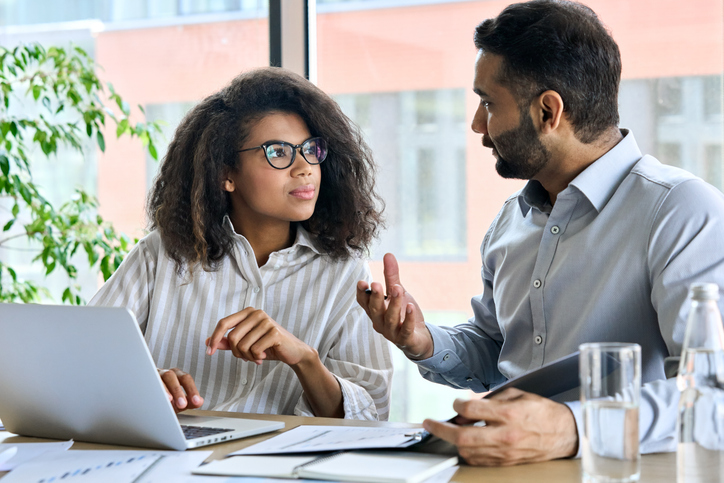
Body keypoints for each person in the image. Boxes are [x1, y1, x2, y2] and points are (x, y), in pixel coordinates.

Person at [357, 0, 724, 465]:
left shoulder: (681, 212)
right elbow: (496, 352)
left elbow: (714, 394)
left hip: (611, 471)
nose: (477, 125)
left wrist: (572, 427)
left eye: (489, 103)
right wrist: (422, 341)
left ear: (549, 111)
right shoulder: (512, 220)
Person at [90, 67, 392, 421]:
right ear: (225, 174)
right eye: (278, 152)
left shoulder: (345, 271)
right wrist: (142, 382)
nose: (305, 167)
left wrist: (305, 359)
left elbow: (372, 417)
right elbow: (79, 359)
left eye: (311, 149)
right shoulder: (162, 254)